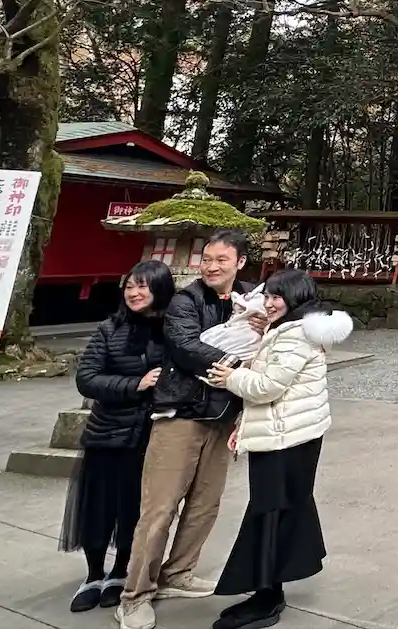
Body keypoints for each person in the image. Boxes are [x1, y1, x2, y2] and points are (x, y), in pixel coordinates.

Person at [117, 229, 261, 629]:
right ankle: (134, 595)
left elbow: (279, 332)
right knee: (159, 508)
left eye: (221, 260)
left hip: (224, 415)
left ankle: (178, 573)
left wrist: (267, 329)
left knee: (205, 504)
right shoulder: (186, 300)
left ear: (240, 263)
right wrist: (240, 365)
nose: (211, 267)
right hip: (180, 414)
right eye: (207, 259)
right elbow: (184, 346)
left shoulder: (253, 297)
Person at [203, 269, 352, 629]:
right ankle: (268, 589)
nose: (268, 303)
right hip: (292, 435)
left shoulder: (294, 335)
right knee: (279, 510)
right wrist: (244, 425)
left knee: (270, 512)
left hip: (285, 439)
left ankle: (267, 597)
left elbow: (268, 386)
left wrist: (231, 377)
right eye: (267, 296)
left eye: (276, 297)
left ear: (296, 299)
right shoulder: (295, 329)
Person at [60, 261, 174, 614]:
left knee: (133, 509)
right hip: (107, 432)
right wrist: (136, 384)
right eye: (129, 286)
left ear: (160, 289)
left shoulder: (173, 329)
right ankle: (93, 575)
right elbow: (87, 379)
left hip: (150, 436)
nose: (134, 293)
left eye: (143, 286)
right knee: (97, 508)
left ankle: (120, 572)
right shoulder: (109, 329)